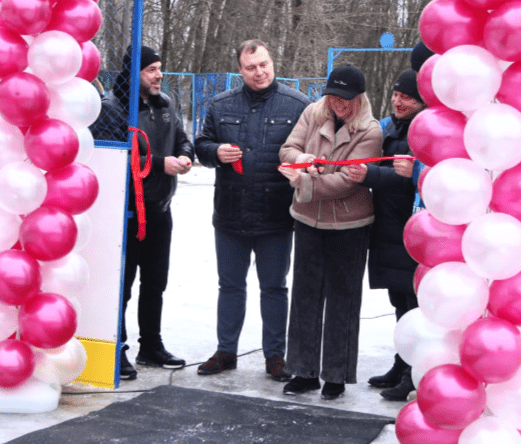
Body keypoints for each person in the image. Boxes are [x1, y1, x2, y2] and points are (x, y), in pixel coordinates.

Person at [194, 39, 310, 381]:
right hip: (230, 214)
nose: (259, 73)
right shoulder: (220, 104)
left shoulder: (297, 105)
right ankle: (226, 351)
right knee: (229, 286)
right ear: (240, 71)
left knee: (274, 287)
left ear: (272, 62)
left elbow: (308, 151)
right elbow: (201, 145)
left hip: (275, 215)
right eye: (250, 67)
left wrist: (301, 169)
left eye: (264, 65)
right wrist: (215, 152)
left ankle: (275, 356)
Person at [277, 64, 382, 400]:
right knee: (305, 296)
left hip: (349, 227)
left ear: (359, 98)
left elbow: (346, 182)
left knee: (342, 300)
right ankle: (303, 371)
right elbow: (287, 150)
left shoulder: (371, 131)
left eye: (346, 98)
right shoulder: (312, 112)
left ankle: (336, 375)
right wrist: (302, 159)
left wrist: (302, 181)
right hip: (308, 221)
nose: (339, 103)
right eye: (334, 96)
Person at [91, 45, 194, 380]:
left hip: (160, 208)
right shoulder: (113, 108)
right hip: (128, 212)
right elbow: (114, 159)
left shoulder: (165, 105)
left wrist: (185, 155)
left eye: (160, 68)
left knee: (156, 282)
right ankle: (116, 348)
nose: (159, 75)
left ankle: (150, 344)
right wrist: (159, 164)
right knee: (124, 284)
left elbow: (182, 139)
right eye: (151, 70)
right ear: (134, 73)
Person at [347, 67, 429, 402]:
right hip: (386, 224)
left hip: (412, 227)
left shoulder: (428, 132)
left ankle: (414, 372)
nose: (399, 101)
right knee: (398, 300)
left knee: (414, 305)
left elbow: (434, 175)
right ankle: (400, 364)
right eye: (396, 94)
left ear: (422, 101)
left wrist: (378, 175)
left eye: (407, 97)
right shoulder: (385, 127)